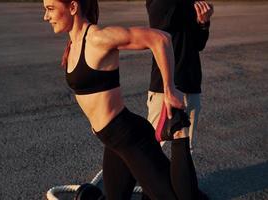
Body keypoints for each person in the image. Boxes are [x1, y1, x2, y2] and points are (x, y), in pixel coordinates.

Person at [43, 0, 201, 199]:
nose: (46, 16)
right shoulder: (73, 43)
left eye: (50, 9)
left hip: (131, 139)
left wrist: (169, 89)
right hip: (113, 142)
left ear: (73, 7)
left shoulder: (98, 38)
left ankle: (180, 135)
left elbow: (161, 39)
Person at [145, 0, 214, 154]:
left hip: (191, 82)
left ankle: (179, 178)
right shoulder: (161, 3)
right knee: (153, 146)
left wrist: (203, 22)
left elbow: (198, 44)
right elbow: (159, 38)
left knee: (185, 149)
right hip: (165, 86)